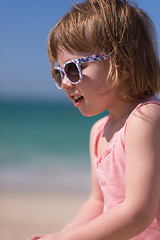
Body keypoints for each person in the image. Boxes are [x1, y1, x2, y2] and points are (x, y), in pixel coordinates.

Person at [29, 0, 160, 239]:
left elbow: (139, 213)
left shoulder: (146, 118)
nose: (66, 83)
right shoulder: (98, 132)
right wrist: (60, 235)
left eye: (73, 69)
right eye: (59, 73)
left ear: (123, 65)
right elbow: (97, 202)